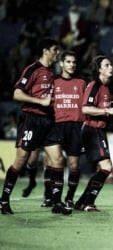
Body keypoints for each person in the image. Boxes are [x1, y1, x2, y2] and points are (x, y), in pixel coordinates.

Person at [0, 37, 72, 215]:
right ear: (45, 51)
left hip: (49, 121)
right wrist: (40, 101)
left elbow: (49, 99)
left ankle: (56, 202)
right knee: (21, 159)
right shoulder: (32, 70)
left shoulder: (52, 74)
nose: (57, 53)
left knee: (58, 160)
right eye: (55, 49)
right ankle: (3, 200)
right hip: (31, 119)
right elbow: (17, 93)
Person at [73, 55, 113, 212]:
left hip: (98, 130)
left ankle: (81, 203)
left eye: (111, 64)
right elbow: (85, 108)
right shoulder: (94, 85)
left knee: (104, 168)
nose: (111, 67)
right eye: (107, 65)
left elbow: (101, 104)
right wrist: (108, 110)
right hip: (92, 130)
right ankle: (87, 203)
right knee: (106, 167)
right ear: (99, 69)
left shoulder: (105, 88)